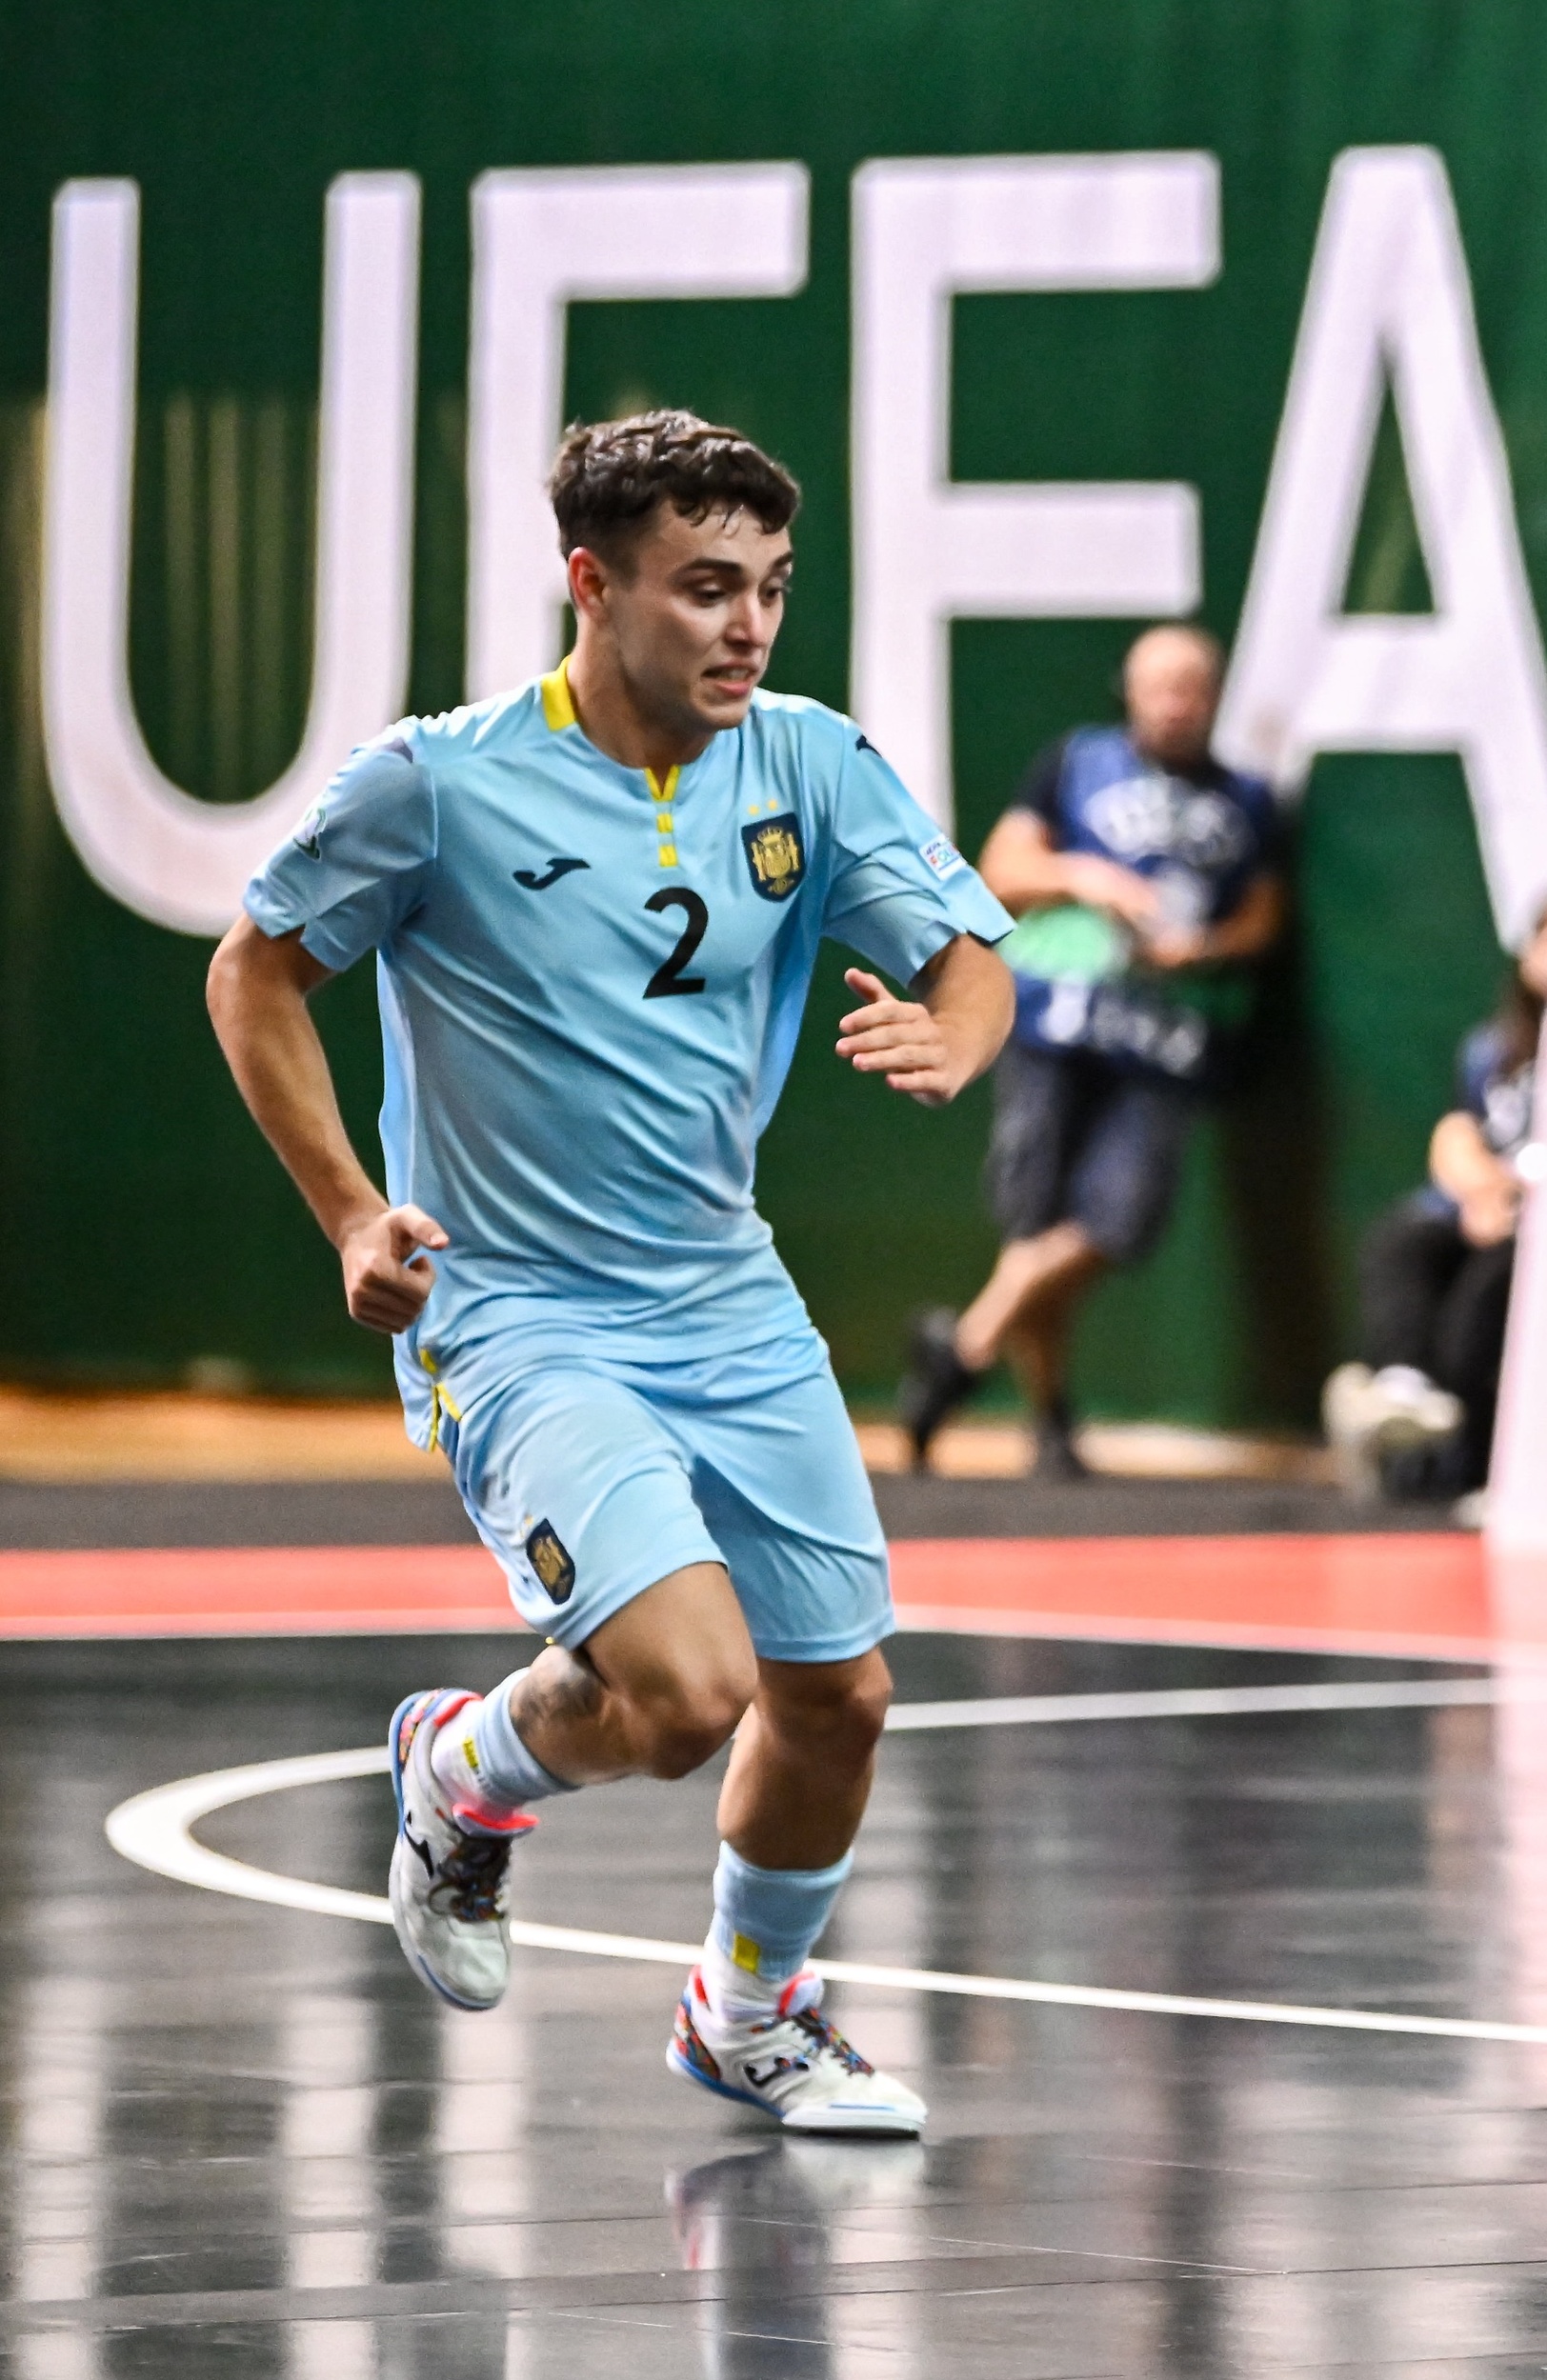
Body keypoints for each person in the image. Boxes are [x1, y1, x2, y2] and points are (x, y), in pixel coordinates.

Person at [205, 410, 1017, 2138]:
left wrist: (951, 1034)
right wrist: (355, 1207)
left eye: (774, 590)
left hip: (725, 1290)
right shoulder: (441, 782)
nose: (748, 626)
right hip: (513, 1310)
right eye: (707, 587)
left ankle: (748, 2011)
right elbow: (254, 975)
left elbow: (969, 963)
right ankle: (460, 1770)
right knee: (683, 1694)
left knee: (839, 1695)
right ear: (592, 582)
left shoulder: (804, 761)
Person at [893, 625, 1287, 1477]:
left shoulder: (1247, 797)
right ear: (1131, 690)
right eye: (1161, 687)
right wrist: (1085, 877)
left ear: (1213, 698)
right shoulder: (1076, 762)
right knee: (1034, 1224)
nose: (1176, 704)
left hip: (1166, 1036)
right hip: (1057, 1020)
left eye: (1191, 688)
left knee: (1119, 1218)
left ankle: (964, 1344)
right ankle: (1050, 1419)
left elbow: (1263, 915)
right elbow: (998, 869)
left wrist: (1209, 945)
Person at [1322, 885, 1547, 1510]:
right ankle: (1404, 1393)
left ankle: (1480, 1458)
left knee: (1490, 1291)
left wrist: (1520, 1202)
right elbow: (1458, 1132)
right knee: (1403, 1240)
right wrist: (1483, 1187)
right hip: (1479, 1207)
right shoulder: (1493, 1050)